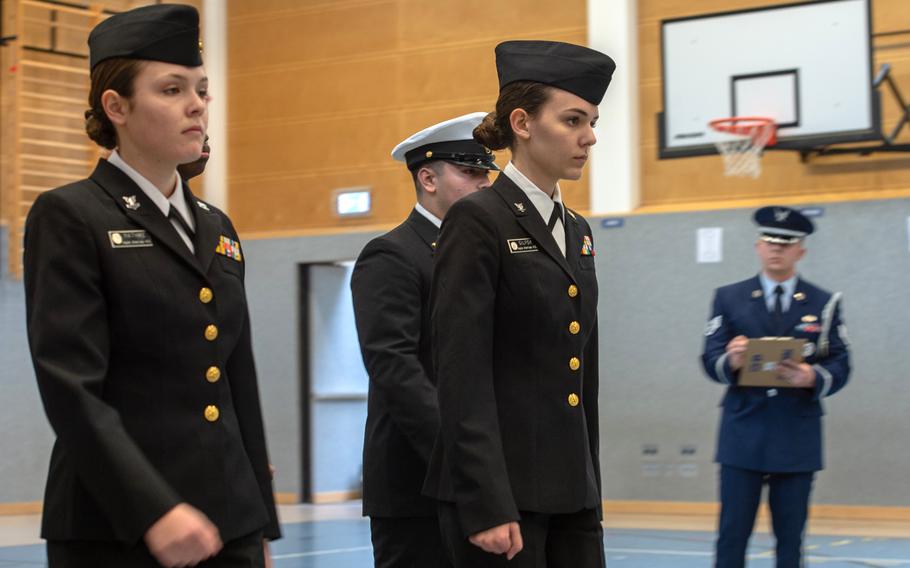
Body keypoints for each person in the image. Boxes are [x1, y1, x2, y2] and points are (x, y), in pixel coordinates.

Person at [22, 5, 279, 567]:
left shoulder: (215, 226)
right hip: (118, 526)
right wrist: (152, 509)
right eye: (171, 89)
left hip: (225, 520)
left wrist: (260, 519)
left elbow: (237, 380)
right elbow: (70, 385)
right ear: (116, 106)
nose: (197, 105)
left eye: (202, 89)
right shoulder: (71, 215)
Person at [422, 40, 616, 567]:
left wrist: (590, 485)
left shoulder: (576, 230)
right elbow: (461, 371)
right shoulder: (479, 219)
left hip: (570, 488)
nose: (589, 136)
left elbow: (582, 372)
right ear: (523, 123)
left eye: (592, 121)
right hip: (503, 495)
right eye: (574, 119)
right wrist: (484, 500)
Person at [351, 112, 497, 568]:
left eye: (485, 173)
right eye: (469, 172)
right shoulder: (393, 254)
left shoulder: (480, 255)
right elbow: (395, 368)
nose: (483, 184)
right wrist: (462, 455)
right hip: (418, 478)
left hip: (482, 474)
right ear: (428, 178)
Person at [701, 206, 851, 568]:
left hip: (795, 434)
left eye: (786, 243)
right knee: (732, 536)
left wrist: (812, 377)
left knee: (790, 540)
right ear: (757, 246)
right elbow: (710, 358)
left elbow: (841, 363)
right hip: (743, 433)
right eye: (769, 241)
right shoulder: (729, 297)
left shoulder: (823, 302)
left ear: (801, 250)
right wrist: (731, 361)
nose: (776, 249)